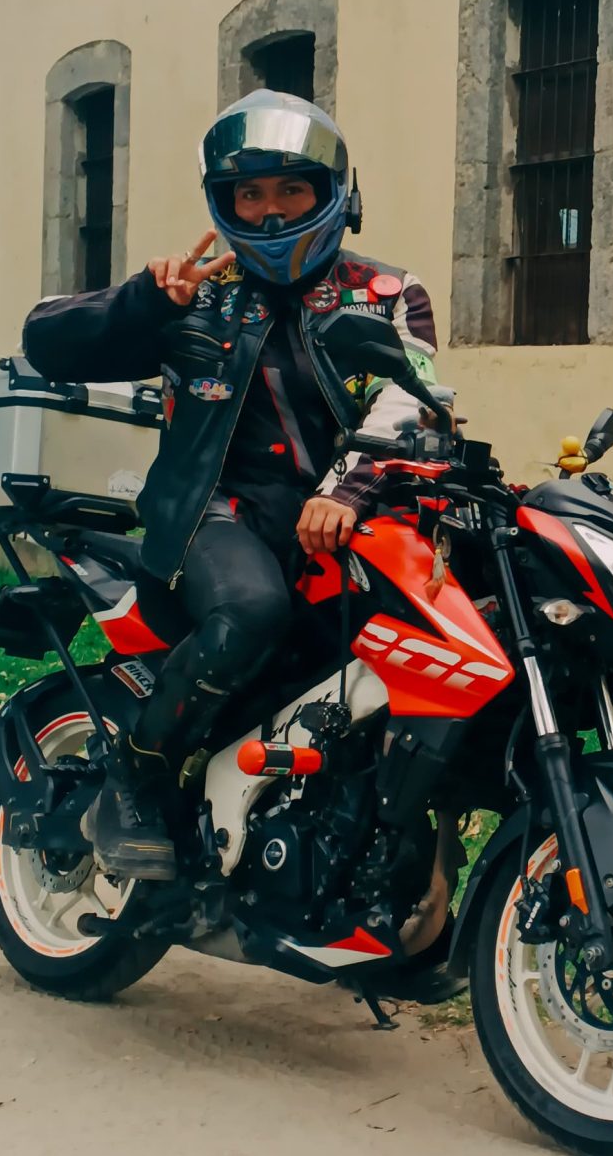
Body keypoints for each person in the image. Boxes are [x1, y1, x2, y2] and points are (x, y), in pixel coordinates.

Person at [22, 90, 439, 880]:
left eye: (291, 190)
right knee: (251, 609)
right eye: (250, 194)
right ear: (224, 201)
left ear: (332, 194)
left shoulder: (388, 296)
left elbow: (413, 402)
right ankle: (136, 783)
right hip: (219, 514)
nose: (272, 213)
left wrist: (348, 488)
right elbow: (48, 341)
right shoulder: (195, 295)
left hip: (347, 521)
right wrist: (142, 303)